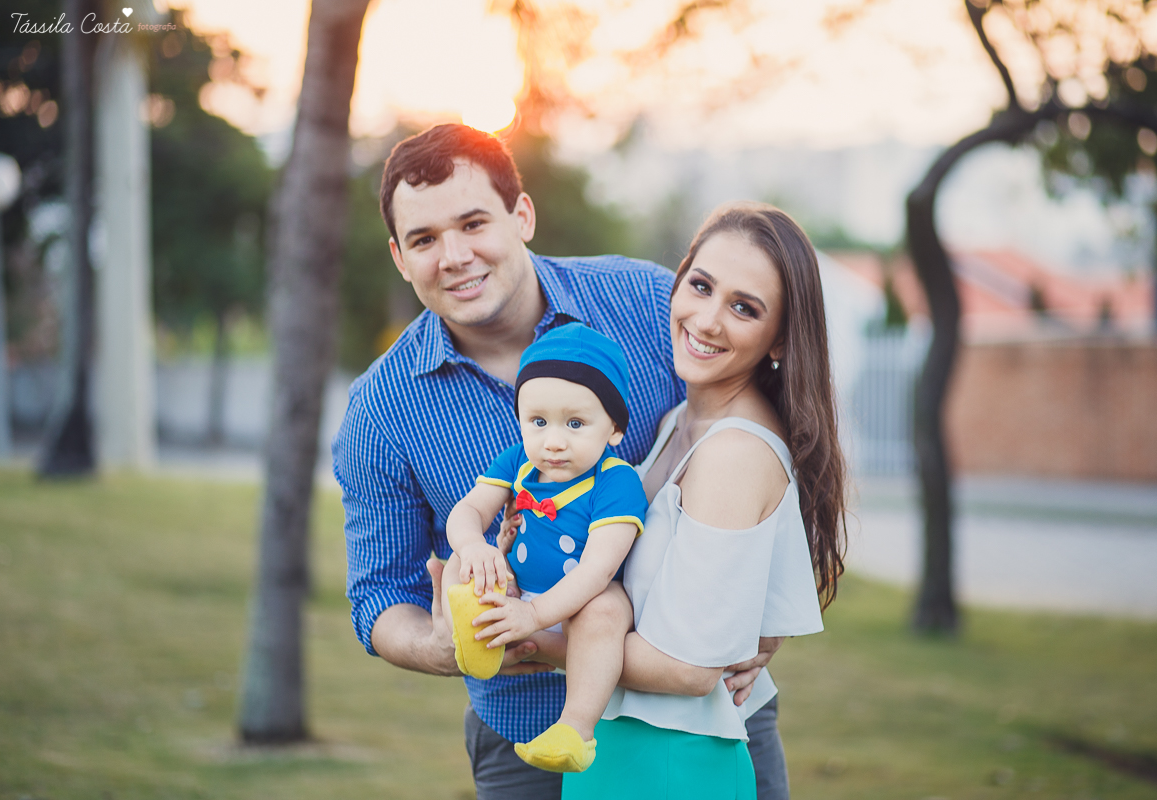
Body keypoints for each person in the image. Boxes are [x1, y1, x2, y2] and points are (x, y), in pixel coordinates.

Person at [332, 124, 793, 800]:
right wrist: (442, 647)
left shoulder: (645, 303)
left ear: (521, 215)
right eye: (425, 240)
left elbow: (763, 436)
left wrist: (765, 612)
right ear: (400, 258)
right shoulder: (381, 409)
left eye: (473, 223)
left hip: (700, 725)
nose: (454, 256)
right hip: (528, 735)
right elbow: (378, 593)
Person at [562, 202, 849, 799]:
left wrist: (534, 637)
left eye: (744, 308)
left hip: (672, 763)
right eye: (701, 286)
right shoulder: (678, 420)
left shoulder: (734, 452)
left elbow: (691, 667)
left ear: (779, 339)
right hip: (622, 748)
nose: (708, 320)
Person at [443, 322, 646, 773]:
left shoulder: (616, 481)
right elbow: (468, 510)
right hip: (517, 593)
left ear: (614, 428)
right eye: (538, 422)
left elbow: (597, 569)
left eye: (575, 424)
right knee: (463, 558)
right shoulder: (518, 460)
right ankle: (472, 640)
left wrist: (533, 616)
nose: (553, 441)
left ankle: (574, 728)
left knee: (608, 608)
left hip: (577, 605)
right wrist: (475, 545)